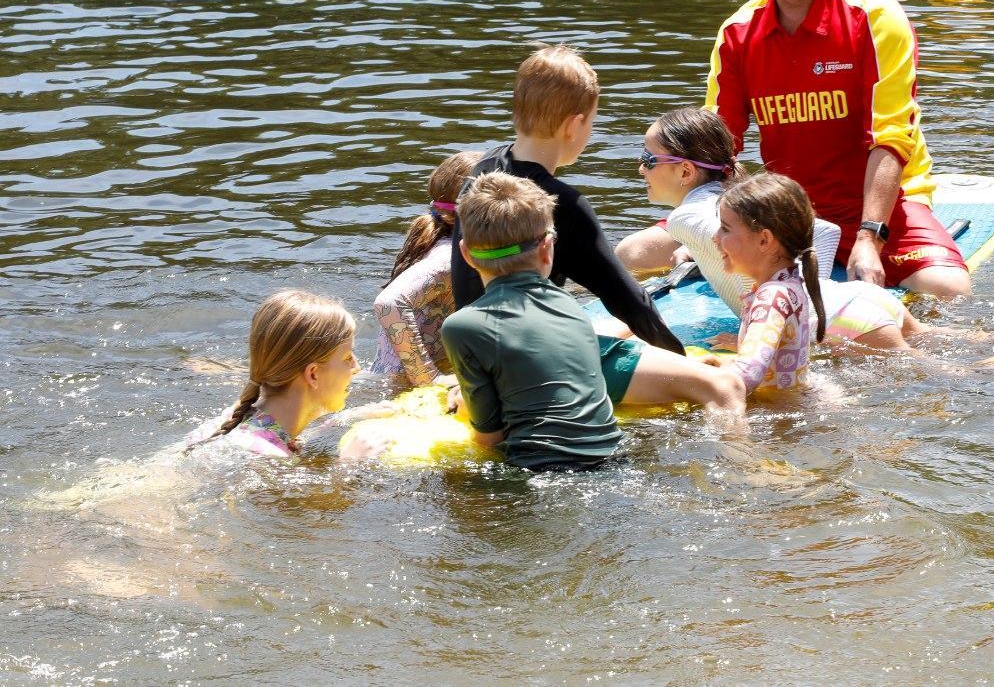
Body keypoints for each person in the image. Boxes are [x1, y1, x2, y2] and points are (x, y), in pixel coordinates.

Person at [690, 0, 971, 300]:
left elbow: (891, 139)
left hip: (881, 207)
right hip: (789, 212)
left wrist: (868, 238)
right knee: (637, 251)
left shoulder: (874, 17)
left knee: (950, 290)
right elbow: (715, 149)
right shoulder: (737, 32)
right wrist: (711, 230)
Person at [443, 173, 744, 469]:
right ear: (548, 249)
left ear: (466, 254)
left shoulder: (461, 326)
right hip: (613, 462)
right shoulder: (569, 308)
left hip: (533, 471)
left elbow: (489, 439)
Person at [450, 45, 685, 355]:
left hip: (470, 349)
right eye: (591, 122)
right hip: (532, 359)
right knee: (714, 384)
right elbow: (629, 303)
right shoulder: (563, 204)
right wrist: (680, 357)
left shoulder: (482, 171)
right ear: (573, 126)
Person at [633, 106, 926, 350]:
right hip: (858, 299)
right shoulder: (735, 198)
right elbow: (824, 231)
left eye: (648, 160)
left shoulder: (685, 219)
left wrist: (774, 329)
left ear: (685, 171)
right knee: (949, 362)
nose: (640, 169)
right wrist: (812, 294)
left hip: (834, 321)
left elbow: (740, 250)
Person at [182, 290, 392, 459]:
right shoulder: (265, 457)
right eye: (347, 358)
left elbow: (301, 429)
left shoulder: (240, 415)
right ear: (313, 375)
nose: (356, 368)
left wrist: (351, 417)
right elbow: (310, 510)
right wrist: (348, 463)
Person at [371, 150, 483, 384]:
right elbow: (388, 303)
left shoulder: (439, 244)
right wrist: (428, 379)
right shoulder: (448, 259)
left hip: (392, 376)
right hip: (401, 386)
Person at [714, 173, 828, 394]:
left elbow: (745, 376)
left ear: (764, 240)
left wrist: (688, 377)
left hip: (778, 424)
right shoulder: (788, 284)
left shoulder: (772, 297)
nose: (715, 237)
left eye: (725, 228)